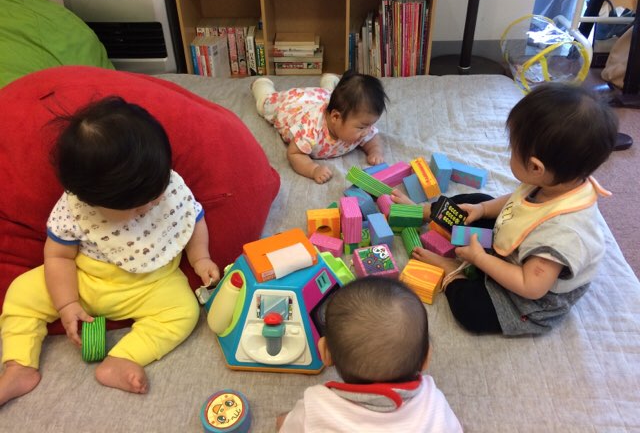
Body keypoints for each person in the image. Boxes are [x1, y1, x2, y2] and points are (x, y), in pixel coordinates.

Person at [0, 96, 220, 406]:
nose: (151, 205)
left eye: (155, 195)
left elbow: (193, 219)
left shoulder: (166, 186)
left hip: (153, 283)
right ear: (90, 199)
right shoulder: (74, 210)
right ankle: (19, 365)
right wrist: (67, 303)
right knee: (21, 293)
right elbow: (58, 256)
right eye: (136, 207)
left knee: (184, 311)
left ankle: (123, 358)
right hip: (85, 281)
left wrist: (200, 258)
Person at [391, 83, 619, 335]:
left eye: (512, 150)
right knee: (476, 200)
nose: (509, 153)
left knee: (472, 311)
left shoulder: (561, 236)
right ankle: (423, 212)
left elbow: (531, 286)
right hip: (517, 245)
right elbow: (518, 200)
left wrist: (480, 259)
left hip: (528, 295)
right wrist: (482, 209)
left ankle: (451, 270)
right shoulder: (559, 179)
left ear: (536, 168)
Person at [277, 276, 463, 432]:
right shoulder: (433, 403)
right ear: (426, 357)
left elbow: (286, 428)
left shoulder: (314, 407)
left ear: (325, 352)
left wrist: (285, 422)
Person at [252, 71, 388, 184]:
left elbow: (372, 138)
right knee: (268, 104)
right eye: (362, 127)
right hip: (294, 105)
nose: (367, 132)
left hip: (322, 97)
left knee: (331, 94)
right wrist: (313, 169)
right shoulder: (310, 131)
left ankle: (330, 81)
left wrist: (375, 151)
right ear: (335, 117)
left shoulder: (357, 122)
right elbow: (294, 153)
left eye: (370, 125)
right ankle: (261, 85)